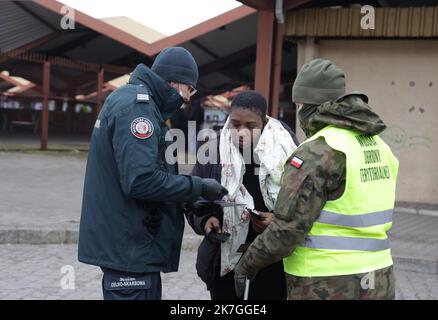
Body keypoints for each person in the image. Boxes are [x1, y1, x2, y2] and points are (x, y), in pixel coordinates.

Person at [234, 59, 399, 300]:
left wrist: (246, 264)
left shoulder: (318, 151)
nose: (298, 111)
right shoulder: (380, 146)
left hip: (327, 284)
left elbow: (287, 232)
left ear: (310, 106)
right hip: (379, 280)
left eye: (299, 104)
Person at [78, 47, 228, 300]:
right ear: (174, 82)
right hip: (131, 250)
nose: (188, 98)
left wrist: (194, 207)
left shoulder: (136, 102)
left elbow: (154, 171)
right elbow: (142, 181)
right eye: (189, 89)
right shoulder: (137, 108)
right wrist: (199, 186)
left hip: (133, 248)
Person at [185, 90, 299, 300]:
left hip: (272, 264)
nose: (241, 132)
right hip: (225, 261)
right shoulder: (213, 153)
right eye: (236, 124)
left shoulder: (288, 151)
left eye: (250, 126)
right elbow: (195, 198)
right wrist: (206, 220)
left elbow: (303, 205)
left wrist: (277, 222)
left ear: (264, 123)